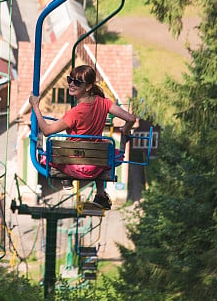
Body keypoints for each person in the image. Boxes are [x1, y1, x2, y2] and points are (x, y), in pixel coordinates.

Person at [29, 64, 137, 209]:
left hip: (74, 164)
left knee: (51, 154)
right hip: (95, 165)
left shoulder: (75, 113)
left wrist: (35, 106)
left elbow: (47, 130)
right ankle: (100, 194)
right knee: (104, 148)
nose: (71, 84)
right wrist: (125, 130)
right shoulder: (104, 103)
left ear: (87, 87)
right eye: (70, 79)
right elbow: (131, 119)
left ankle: (67, 178)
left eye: (77, 82)